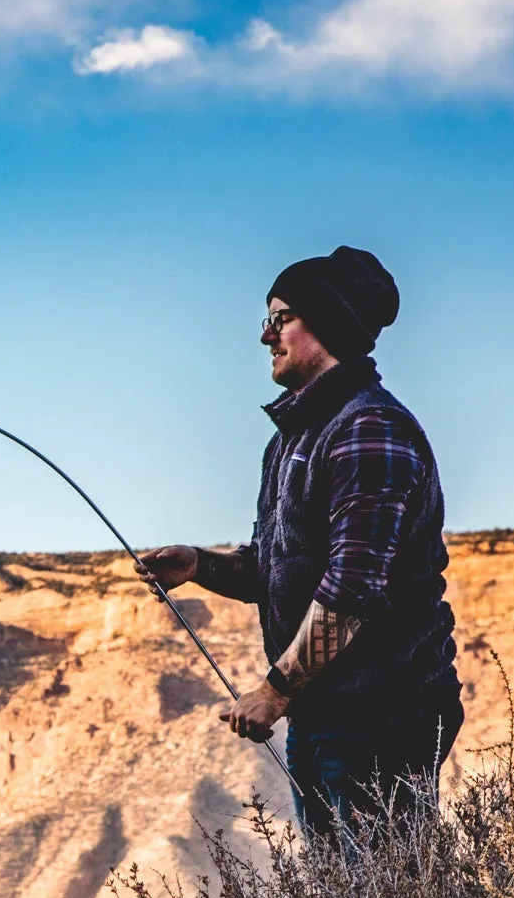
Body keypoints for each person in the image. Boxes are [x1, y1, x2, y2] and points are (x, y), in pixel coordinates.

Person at [140, 247, 462, 840]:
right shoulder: (296, 438)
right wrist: (199, 565)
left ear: (329, 322)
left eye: (281, 317)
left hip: (381, 715)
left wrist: (274, 691)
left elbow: (353, 590)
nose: (266, 336)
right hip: (325, 712)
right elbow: (277, 567)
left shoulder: (369, 429)